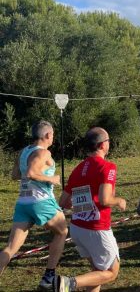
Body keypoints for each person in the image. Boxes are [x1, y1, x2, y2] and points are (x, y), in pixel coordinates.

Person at [54, 127, 127, 291]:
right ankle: (69, 283)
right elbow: (105, 199)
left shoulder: (78, 168)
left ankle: (70, 283)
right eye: (108, 141)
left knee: (97, 273)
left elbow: (63, 202)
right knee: (111, 271)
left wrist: (81, 203)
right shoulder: (108, 167)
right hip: (96, 229)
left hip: (77, 228)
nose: (109, 144)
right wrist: (119, 201)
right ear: (102, 145)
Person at [0, 121, 68, 290]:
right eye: (52, 134)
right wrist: (51, 179)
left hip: (23, 203)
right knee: (62, 232)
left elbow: (16, 175)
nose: (53, 137)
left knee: (11, 248)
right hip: (41, 202)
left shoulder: (23, 151)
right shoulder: (44, 153)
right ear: (47, 135)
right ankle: (48, 276)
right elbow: (31, 173)